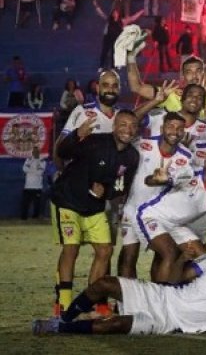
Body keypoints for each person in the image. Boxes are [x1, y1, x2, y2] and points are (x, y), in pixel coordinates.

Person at [33, 232, 206, 335]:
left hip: (172, 323)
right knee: (105, 283)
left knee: (114, 324)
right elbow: (175, 280)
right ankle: (64, 318)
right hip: (163, 296)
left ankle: (62, 330)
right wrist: (182, 257)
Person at [50, 109, 140, 317]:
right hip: (67, 200)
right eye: (124, 124)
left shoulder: (132, 156)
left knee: (105, 251)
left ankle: (88, 303)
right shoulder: (94, 141)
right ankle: (63, 303)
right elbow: (62, 153)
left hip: (95, 207)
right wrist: (76, 136)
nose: (128, 129)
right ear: (115, 126)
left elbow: (121, 187)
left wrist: (106, 192)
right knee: (71, 248)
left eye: (133, 126)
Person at [136, 146, 206, 283]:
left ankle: (185, 293)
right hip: (153, 216)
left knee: (204, 259)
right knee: (169, 253)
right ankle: (160, 297)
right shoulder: (189, 174)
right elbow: (150, 181)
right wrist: (158, 179)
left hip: (177, 225)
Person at [117, 111, 193, 279]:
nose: (175, 131)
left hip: (159, 215)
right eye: (171, 126)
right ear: (161, 128)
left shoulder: (186, 157)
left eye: (180, 128)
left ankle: (157, 296)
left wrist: (164, 180)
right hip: (132, 209)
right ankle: (124, 303)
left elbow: (180, 184)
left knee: (163, 255)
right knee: (129, 256)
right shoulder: (142, 144)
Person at [92, 0, 144, 70]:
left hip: (116, 39)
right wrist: (96, 6)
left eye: (116, 12)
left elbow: (133, 18)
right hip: (108, 38)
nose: (115, 14)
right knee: (104, 51)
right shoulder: (109, 20)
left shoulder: (122, 21)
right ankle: (101, 66)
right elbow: (101, 14)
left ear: (118, 14)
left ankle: (113, 66)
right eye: (114, 13)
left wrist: (140, 12)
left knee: (115, 53)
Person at [21, 146, 46, 220]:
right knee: (25, 203)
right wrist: (34, 170)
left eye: (36, 151)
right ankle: (24, 217)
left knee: (37, 204)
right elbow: (24, 169)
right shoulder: (28, 159)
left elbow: (40, 172)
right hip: (27, 186)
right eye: (34, 151)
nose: (35, 153)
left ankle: (35, 217)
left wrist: (30, 170)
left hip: (37, 187)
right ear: (32, 152)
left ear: (39, 152)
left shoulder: (42, 161)